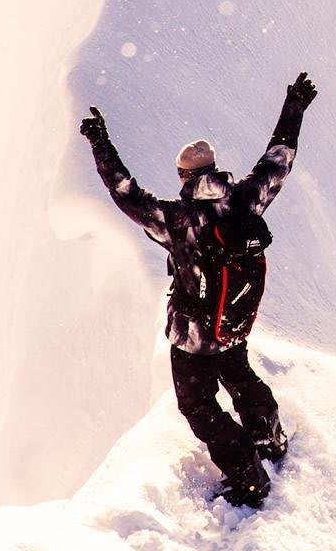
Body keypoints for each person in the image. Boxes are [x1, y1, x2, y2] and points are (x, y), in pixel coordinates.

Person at [79, 70, 318, 507]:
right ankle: (269, 439)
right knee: (240, 377)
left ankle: (248, 476)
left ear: (184, 175)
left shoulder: (176, 220)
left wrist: (100, 143)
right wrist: (294, 108)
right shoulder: (245, 199)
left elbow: (125, 192)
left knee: (199, 407)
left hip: (193, 337)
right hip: (232, 323)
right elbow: (278, 160)